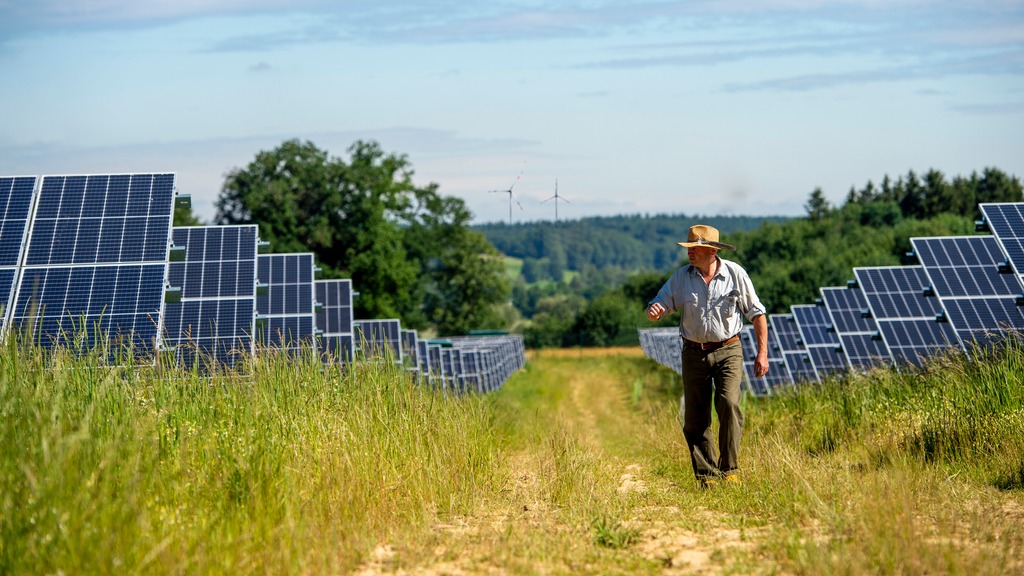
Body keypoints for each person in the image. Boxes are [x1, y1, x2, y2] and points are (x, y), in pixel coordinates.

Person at [646, 224, 768, 488]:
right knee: (695, 419)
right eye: (688, 248)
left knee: (729, 404)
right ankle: (706, 476)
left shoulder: (736, 274)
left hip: (729, 350)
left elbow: (757, 313)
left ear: (712, 251)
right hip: (693, 353)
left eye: (695, 249)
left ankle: (730, 469)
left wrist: (762, 353)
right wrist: (655, 309)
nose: (690, 253)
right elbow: (662, 301)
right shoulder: (681, 277)